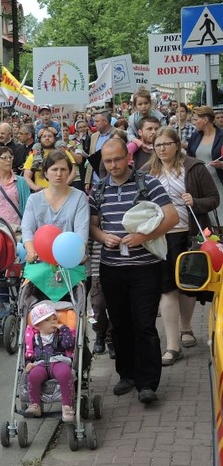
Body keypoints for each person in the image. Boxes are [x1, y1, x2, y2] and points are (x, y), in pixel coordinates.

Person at [89, 138, 178, 404]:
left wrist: (143, 236)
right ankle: (126, 375)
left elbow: (171, 217)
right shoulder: (98, 189)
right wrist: (103, 236)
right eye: (107, 161)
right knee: (120, 325)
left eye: (117, 159)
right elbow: (92, 225)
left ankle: (147, 383)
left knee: (144, 324)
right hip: (112, 268)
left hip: (145, 268)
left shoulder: (147, 182)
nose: (113, 165)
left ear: (128, 158)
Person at [143, 128, 219, 365]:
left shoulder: (194, 167)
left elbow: (213, 199)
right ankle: (172, 345)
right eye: (158, 145)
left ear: (177, 145)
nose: (162, 148)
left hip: (188, 235)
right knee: (166, 288)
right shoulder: (146, 172)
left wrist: (194, 201)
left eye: (166, 144)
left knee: (187, 287)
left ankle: (187, 328)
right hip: (160, 236)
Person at [21, 151, 90, 264]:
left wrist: (78, 252)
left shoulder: (79, 197)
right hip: (41, 262)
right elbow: (27, 229)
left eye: (63, 169)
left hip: (70, 259)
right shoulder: (34, 199)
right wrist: (31, 252)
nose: (59, 174)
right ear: (46, 173)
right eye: (54, 169)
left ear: (69, 172)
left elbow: (81, 230)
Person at [24, 301, 75, 422]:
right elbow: (29, 354)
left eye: (54, 318)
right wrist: (28, 364)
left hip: (58, 361)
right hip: (40, 363)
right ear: (37, 325)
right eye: (48, 320)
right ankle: (35, 404)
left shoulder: (60, 334)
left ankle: (67, 406)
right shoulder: (34, 338)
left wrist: (64, 328)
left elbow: (69, 344)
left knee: (65, 373)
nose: (53, 321)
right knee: (33, 376)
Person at [187, 106, 223, 223]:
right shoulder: (195, 136)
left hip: (219, 183)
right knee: (207, 222)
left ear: (205, 120)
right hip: (200, 186)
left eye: (196, 119)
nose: (194, 123)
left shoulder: (221, 136)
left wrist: (222, 164)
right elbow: (189, 157)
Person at [23, 128, 77, 192]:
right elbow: (26, 176)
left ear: (55, 138)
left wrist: (64, 185)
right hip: (42, 192)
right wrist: (35, 188)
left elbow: (74, 173)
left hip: (62, 191)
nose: (47, 138)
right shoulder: (34, 155)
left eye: (50, 136)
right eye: (44, 136)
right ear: (40, 139)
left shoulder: (63, 153)